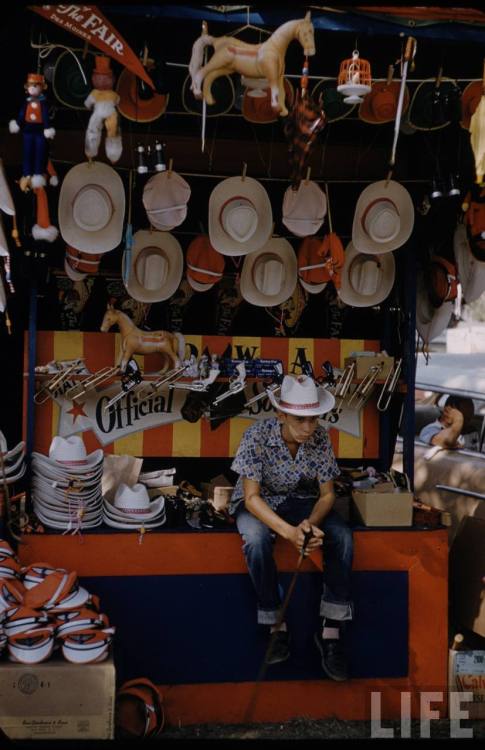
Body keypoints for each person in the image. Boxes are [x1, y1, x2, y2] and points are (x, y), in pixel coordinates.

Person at [229, 373, 353, 682]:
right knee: (256, 539)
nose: (308, 428)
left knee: (342, 536)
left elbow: (327, 495)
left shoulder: (320, 437)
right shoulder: (256, 436)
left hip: (300, 501)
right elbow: (252, 498)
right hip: (260, 503)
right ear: (281, 413)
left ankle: (330, 631)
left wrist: (309, 525)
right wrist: (291, 533)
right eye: (300, 419)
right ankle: (275, 624)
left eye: (313, 419)